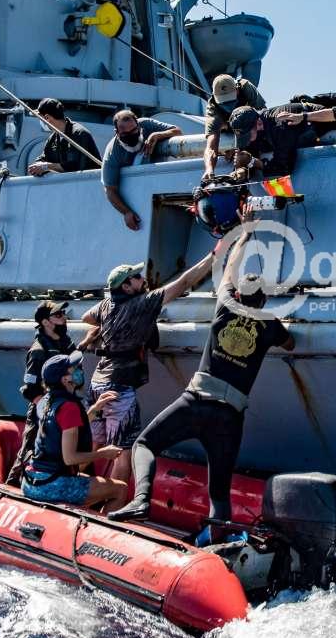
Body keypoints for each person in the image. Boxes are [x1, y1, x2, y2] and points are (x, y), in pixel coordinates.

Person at [108, 206, 295, 534]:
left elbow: (229, 268)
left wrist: (246, 232)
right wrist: (279, 325)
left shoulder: (225, 305)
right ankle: (220, 543)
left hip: (196, 402)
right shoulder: (269, 324)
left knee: (145, 445)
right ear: (264, 301)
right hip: (230, 417)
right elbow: (290, 343)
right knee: (219, 493)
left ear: (238, 294)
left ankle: (141, 500)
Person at [80, 250, 216, 484]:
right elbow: (184, 282)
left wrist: (108, 326)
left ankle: (74, 485)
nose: (143, 278)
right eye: (136, 277)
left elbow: (86, 317)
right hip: (119, 389)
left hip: (98, 383)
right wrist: (214, 255)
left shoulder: (106, 305)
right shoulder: (141, 304)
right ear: (126, 287)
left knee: (95, 442)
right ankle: (113, 498)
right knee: (122, 451)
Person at [21, 351, 130, 512]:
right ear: (65, 379)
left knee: (91, 483)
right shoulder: (69, 407)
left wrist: (96, 408)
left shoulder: (47, 401)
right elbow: (70, 458)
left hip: (32, 480)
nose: (79, 370)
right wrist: (103, 453)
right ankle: (98, 526)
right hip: (51, 484)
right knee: (120, 489)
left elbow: (66, 425)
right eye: (74, 368)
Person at [5, 300, 77, 486]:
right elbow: (29, 388)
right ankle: (11, 486)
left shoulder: (66, 343)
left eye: (64, 314)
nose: (64, 318)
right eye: (58, 315)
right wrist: (47, 410)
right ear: (45, 322)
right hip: (44, 411)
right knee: (29, 449)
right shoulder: (38, 351)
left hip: (65, 406)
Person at [101, 109, 181, 230]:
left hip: (162, 183)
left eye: (134, 130)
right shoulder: (113, 153)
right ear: (116, 132)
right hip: (138, 194)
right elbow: (110, 189)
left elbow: (178, 131)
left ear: (138, 125)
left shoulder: (147, 124)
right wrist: (126, 212)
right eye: (125, 134)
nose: (131, 135)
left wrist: (157, 135)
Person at [225, 101, 321, 178]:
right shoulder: (257, 125)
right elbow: (249, 150)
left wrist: (254, 162)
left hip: (321, 126)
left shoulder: (281, 125)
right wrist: (241, 169)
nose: (248, 140)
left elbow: (284, 168)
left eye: (247, 136)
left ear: (259, 124)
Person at [203, 74, 266, 178]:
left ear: (237, 89)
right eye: (223, 102)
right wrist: (209, 169)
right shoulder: (213, 108)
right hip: (231, 129)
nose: (228, 104)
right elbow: (211, 146)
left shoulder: (246, 87)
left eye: (230, 99)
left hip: (250, 127)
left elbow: (262, 116)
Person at [28, 98, 99, 176]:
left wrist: (46, 166)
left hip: (88, 181)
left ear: (47, 118)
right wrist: (37, 166)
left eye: (40, 118)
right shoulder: (53, 139)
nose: (40, 122)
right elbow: (43, 158)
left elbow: (75, 168)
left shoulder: (80, 134)